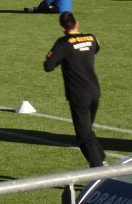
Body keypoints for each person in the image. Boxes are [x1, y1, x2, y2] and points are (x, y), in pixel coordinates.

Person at [44, 12, 105, 167]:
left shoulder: (63, 43)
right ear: (77, 23)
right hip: (94, 91)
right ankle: (102, 158)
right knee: (87, 131)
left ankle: (99, 170)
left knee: (83, 136)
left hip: (78, 95)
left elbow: (48, 66)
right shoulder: (91, 38)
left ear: (63, 28)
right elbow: (96, 48)